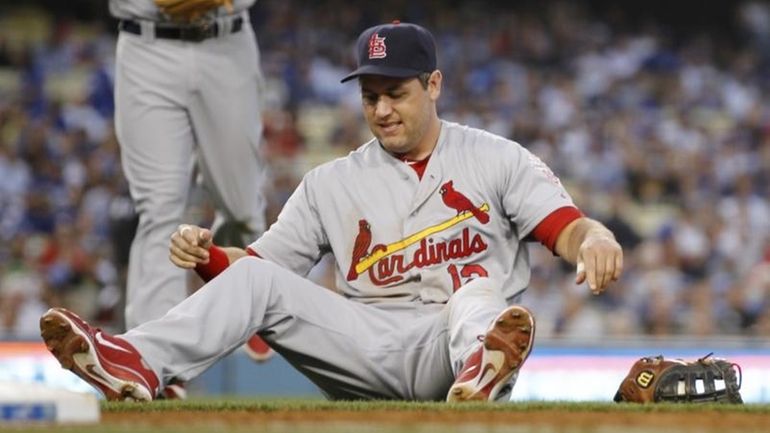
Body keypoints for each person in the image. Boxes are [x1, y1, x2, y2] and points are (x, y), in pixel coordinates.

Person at [40, 21, 623, 402]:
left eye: (397, 93)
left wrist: (594, 238)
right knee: (257, 277)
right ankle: (138, 361)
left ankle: (482, 373)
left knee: (476, 288)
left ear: (435, 84)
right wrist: (208, 255)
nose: (383, 109)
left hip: (452, 340)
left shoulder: (494, 158)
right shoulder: (332, 182)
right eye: (371, 96)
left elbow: (564, 226)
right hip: (364, 344)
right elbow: (259, 270)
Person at [107, 0, 275, 391]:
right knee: (159, 209)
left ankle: (247, 297)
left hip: (225, 40)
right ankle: (153, 363)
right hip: (147, 44)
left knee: (242, 205)